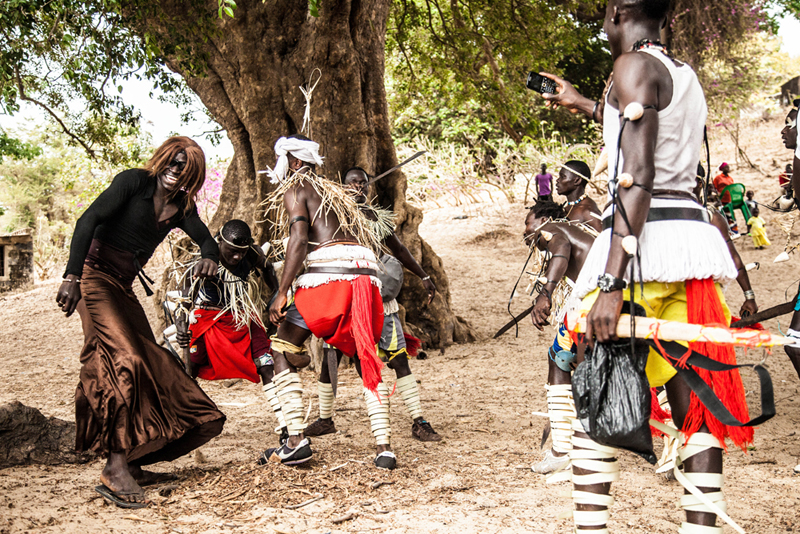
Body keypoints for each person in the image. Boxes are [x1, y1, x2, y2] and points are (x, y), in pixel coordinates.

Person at [540, 2, 753, 532]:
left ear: (615, 11)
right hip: (689, 249)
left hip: (640, 250)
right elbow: (646, 129)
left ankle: (592, 528)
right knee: (694, 402)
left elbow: (634, 174)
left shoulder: (632, 67)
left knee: (596, 388)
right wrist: (586, 104)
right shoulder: (681, 73)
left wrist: (611, 283)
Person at [55, 137, 226, 509]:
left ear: (193, 176)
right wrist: (71, 277)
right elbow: (89, 220)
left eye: (186, 167)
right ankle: (114, 466)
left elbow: (206, 240)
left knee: (152, 365)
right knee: (126, 361)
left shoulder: (182, 205)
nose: (176, 170)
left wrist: (210, 256)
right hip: (93, 277)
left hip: (123, 287)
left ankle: (133, 460)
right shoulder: (133, 182)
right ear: (163, 159)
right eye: (173, 161)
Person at [260, 135, 392, 468]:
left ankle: (294, 440)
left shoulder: (297, 187)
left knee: (280, 348)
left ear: (293, 161)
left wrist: (283, 290)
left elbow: (300, 239)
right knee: (365, 353)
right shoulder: (335, 192)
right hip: (367, 275)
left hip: (331, 276)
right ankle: (384, 448)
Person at [304, 167, 441, 445]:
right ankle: (325, 418)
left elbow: (399, 250)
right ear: (341, 187)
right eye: (351, 182)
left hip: (378, 300)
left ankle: (419, 420)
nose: (357, 187)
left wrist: (424, 275)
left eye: (362, 183)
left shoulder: (375, 218)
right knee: (331, 362)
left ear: (368, 188)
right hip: (342, 299)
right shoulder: (331, 216)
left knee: (399, 359)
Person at [172, 220, 286, 443]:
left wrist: (277, 296)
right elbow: (183, 301)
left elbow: (268, 269)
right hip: (208, 319)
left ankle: (285, 425)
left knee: (266, 364)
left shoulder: (251, 254)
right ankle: (181, 422)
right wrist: (180, 327)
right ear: (219, 243)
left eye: (241, 253)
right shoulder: (204, 261)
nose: (237, 258)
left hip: (243, 316)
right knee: (191, 367)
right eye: (232, 252)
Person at [524, 200, 596, 478]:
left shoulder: (554, 228)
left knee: (568, 363)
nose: (525, 231)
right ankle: (566, 449)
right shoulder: (572, 228)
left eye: (528, 223)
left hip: (594, 304)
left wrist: (546, 292)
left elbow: (562, 249)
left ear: (541, 220)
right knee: (563, 359)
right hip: (600, 301)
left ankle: (566, 451)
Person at [555, 160, 603, 233]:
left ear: (577, 181)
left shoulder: (588, 212)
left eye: (563, 177)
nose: (557, 180)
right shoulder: (567, 207)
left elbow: (606, 240)